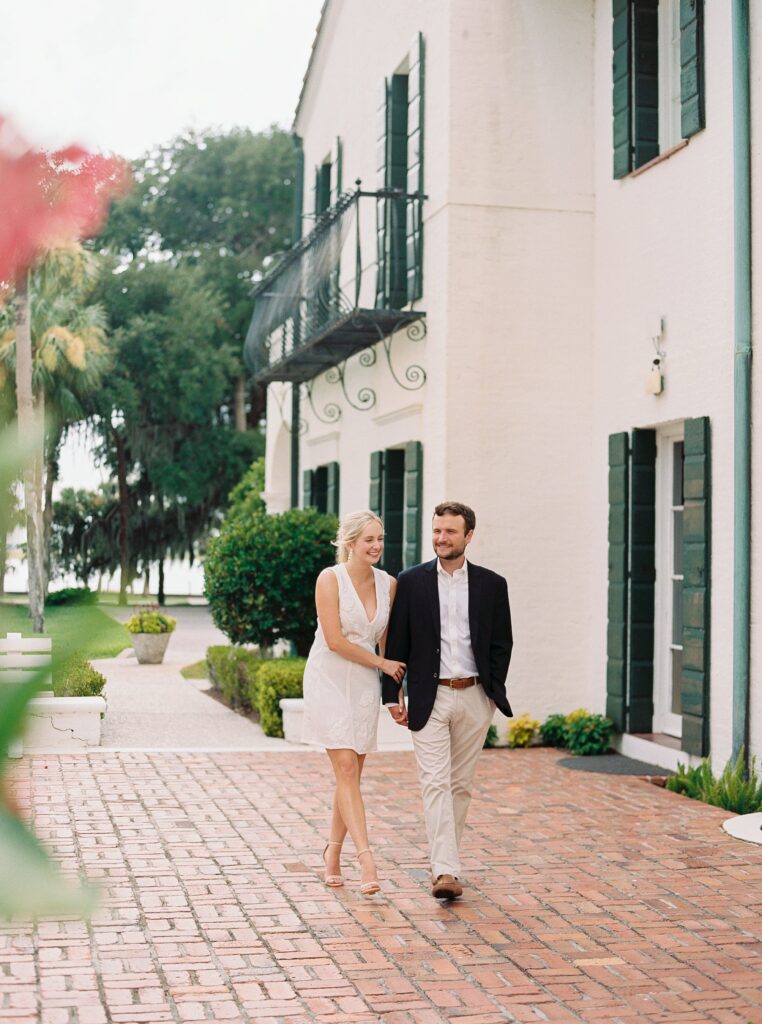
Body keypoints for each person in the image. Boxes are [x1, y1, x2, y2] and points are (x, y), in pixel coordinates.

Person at [381, 501, 513, 900]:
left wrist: (492, 692)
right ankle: (445, 869)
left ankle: (444, 859)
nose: (441, 538)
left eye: (450, 532)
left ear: (468, 535)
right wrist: (392, 695)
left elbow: (502, 643)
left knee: (461, 785)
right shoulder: (411, 581)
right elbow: (397, 641)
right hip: (429, 697)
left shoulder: (492, 584)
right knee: (435, 782)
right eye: (437, 530)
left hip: (475, 696)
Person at [302, 510, 405, 896]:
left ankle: (332, 851)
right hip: (328, 677)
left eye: (380, 538)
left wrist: (394, 696)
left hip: (362, 686)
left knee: (350, 776)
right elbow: (335, 640)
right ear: (350, 543)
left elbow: (387, 643)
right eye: (369, 540)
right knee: (345, 767)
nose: (377, 546)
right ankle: (367, 859)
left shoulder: (389, 584)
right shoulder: (329, 580)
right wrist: (382, 664)